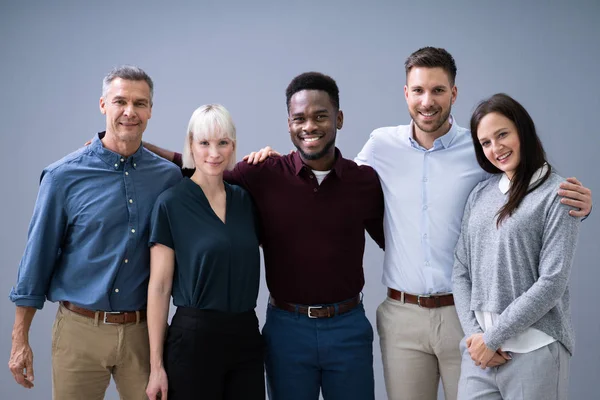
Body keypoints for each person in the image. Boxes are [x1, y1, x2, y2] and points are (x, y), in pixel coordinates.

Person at [245, 47, 592, 400]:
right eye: (418, 90)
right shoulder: (382, 145)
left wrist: (572, 201)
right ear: (406, 94)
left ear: (453, 93)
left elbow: (520, 187)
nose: (428, 101)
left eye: (438, 90)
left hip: (465, 314)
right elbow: (331, 178)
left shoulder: (477, 148)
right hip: (403, 317)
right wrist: (280, 165)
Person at [143, 72, 385, 400]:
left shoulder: (364, 182)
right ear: (288, 124)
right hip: (287, 329)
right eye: (299, 118)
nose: (309, 126)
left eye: (320, 116)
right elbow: (204, 168)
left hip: (347, 326)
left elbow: (395, 241)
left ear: (339, 119)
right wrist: (134, 145)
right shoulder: (264, 175)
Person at [8, 65, 181, 399]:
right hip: (79, 332)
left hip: (145, 335)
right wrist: (20, 340)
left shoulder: (169, 177)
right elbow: (36, 260)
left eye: (140, 103)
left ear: (150, 110)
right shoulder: (63, 177)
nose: (130, 111)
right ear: (103, 105)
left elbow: (215, 165)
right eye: (120, 101)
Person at [452, 93, 580, 399]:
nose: (496, 148)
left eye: (502, 134)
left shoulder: (557, 194)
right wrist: (476, 337)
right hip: (481, 356)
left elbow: (552, 282)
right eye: (485, 142)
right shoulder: (480, 195)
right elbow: (460, 270)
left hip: (535, 350)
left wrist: (493, 337)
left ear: (522, 130)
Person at [145, 104, 264, 400]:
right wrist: (156, 366)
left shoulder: (245, 201)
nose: (214, 153)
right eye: (204, 143)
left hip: (246, 336)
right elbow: (159, 287)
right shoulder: (170, 203)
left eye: (222, 142)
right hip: (194, 339)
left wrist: (272, 160)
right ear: (190, 145)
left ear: (233, 145)